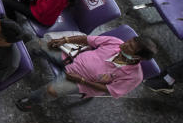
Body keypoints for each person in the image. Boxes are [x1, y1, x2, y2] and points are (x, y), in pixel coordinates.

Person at [16, 32, 157, 111]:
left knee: (52, 91)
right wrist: (64, 40)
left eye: (130, 47)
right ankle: (17, 63)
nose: (124, 44)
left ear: (138, 57)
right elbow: (88, 39)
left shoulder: (134, 76)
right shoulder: (116, 42)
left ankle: (31, 101)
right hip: (72, 57)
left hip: (81, 81)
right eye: (129, 41)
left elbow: (109, 89)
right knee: (38, 44)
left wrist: (81, 81)